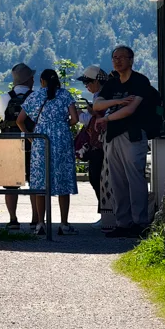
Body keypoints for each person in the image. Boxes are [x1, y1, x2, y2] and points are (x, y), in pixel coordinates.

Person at [92, 45, 156, 236]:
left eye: (121, 57)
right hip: (113, 136)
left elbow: (131, 109)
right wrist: (117, 102)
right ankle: (123, 223)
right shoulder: (112, 83)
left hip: (134, 135)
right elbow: (97, 104)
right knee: (117, 180)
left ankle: (140, 222)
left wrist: (106, 118)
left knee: (135, 178)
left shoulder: (140, 81)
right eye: (114, 57)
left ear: (131, 59)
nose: (117, 60)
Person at [17, 68, 79, 235]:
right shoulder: (65, 95)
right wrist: (62, 126)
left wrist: (30, 136)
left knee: (39, 182)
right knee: (63, 180)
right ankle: (64, 224)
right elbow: (75, 119)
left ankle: (40, 224)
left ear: (42, 81)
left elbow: (20, 120)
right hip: (62, 140)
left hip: (40, 139)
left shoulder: (35, 96)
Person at [0, 62, 38, 228]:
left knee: (11, 184)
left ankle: (13, 219)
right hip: (33, 143)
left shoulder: (5, 97)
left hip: (10, 144)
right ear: (29, 80)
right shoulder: (35, 97)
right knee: (35, 182)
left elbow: (0, 116)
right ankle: (36, 220)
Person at [75, 65, 108, 217]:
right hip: (100, 143)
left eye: (87, 82)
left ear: (96, 82)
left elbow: (94, 120)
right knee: (97, 178)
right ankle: (104, 211)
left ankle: (105, 211)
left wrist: (80, 114)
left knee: (96, 178)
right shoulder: (100, 95)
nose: (86, 86)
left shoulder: (102, 97)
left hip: (100, 144)